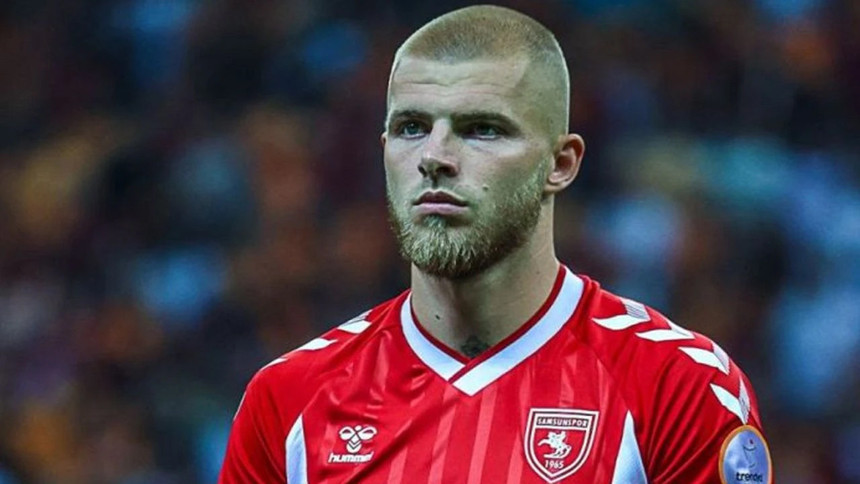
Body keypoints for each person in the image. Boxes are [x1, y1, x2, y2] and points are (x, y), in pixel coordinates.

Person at [218, 5, 771, 483]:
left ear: (561, 163)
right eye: (411, 127)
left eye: (482, 129)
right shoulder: (289, 398)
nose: (434, 157)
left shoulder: (678, 385)